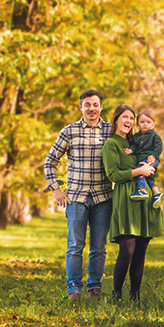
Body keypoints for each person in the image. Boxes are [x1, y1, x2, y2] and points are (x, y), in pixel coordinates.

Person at [44, 89, 113, 302]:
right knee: (75, 245)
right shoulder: (69, 131)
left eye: (95, 104)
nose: (91, 108)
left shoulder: (111, 131)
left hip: (103, 198)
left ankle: (94, 287)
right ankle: (74, 288)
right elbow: (50, 161)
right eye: (87, 104)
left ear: (101, 107)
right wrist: (55, 188)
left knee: (99, 247)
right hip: (76, 198)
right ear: (80, 107)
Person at [101, 105, 164, 302]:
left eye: (131, 117)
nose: (129, 121)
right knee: (126, 251)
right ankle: (116, 295)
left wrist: (152, 165)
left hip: (144, 200)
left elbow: (153, 166)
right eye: (125, 117)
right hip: (126, 199)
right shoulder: (111, 144)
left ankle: (135, 295)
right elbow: (113, 174)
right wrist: (139, 172)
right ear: (116, 120)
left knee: (140, 251)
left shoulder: (138, 141)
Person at [123, 110, 164, 208]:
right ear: (137, 124)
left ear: (153, 124)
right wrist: (131, 150)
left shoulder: (154, 136)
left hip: (151, 160)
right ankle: (157, 193)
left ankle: (142, 190)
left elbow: (159, 146)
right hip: (142, 159)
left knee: (140, 171)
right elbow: (134, 146)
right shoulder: (137, 136)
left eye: (148, 122)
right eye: (142, 122)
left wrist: (153, 155)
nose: (145, 124)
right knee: (147, 177)